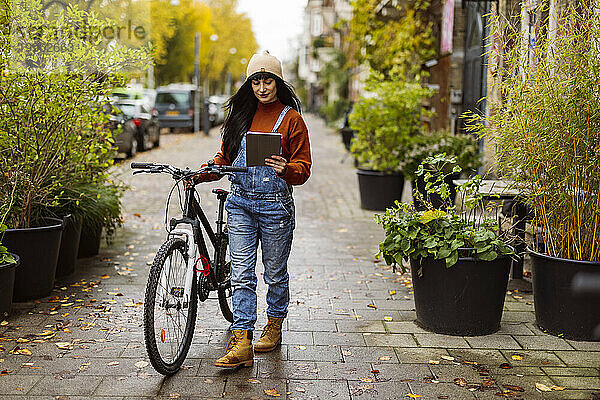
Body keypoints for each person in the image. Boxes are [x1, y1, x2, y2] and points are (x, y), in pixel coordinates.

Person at [193, 51, 311, 368]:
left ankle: (274, 323)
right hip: (241, 203)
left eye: (268, 80)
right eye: (256, 81)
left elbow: (304, 169)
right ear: (250, 84)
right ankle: (242, 340)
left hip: (275, 207)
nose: (262, 87)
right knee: (243, 275)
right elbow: (225, 159)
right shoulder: (240, 117)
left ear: (278, 82)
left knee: (274, 273)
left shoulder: (292, 120)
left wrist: (286, 168)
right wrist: (206, 171)